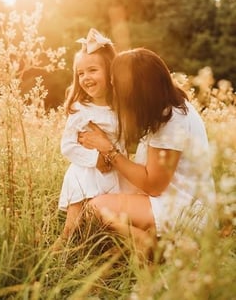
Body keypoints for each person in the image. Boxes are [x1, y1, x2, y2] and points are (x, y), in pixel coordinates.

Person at [78, 48, 217, 257]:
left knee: (94, 208)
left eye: (117, 84)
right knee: (104, 194)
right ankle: (151, 242)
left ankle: (152, 247)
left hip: (184, 210)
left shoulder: (172, 120)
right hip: (172, 200)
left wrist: (108, 150)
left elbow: (154, 185)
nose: (113, 88)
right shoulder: (163, 109)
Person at [57, 29, 133, 244]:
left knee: (106, 228)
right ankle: (62, 249)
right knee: (73, 227)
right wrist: (96, 159)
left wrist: (110, 155)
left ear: (110, 73)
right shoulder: (80, 109)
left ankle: (104, 254)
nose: (86, 78)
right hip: (86, 171)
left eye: (92, 70)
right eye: (80, 73)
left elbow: (126, 142)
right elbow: (68, 146)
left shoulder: (122, 109)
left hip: (115, 173)